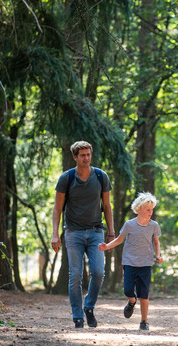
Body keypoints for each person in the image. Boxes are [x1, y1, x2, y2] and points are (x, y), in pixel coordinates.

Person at [51, 141, 114, 329]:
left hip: (96, 232)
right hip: (73, 232)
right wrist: (55, 234)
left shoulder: (101, 176)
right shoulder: (67, 178)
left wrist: (111, 232)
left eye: (88, 154)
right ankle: (77, 316)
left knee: (98, 272)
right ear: (75, 157)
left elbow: (107, 206)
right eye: (82, 155)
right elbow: (57, 208)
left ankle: (89, 306)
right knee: (76, 275)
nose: (86, 158)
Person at [98, 192, 162, 331]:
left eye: (152, 209)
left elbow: (156, 243)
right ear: (139, 209)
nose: (151, 212)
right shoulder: (129, 225)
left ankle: (144, 321)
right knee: (128, 290)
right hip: (129, 262)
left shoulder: (154, 226)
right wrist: (106, 246)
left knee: (144, 295)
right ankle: (132, 302)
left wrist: (158, 255)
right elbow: (119, 240)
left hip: (145, 264)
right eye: (148, 209)